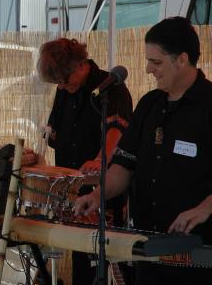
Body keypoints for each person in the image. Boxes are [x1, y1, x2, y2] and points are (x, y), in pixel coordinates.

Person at [74, 17, 212, 285]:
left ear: (182, 59)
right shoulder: (149, 105)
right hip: (148, 250)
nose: (148, 69)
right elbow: (124, 166)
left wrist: (204, 208)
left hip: (198, 253)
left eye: (156, 62)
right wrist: (97, 195)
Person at [37, 37, 133, 285]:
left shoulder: (110, 88)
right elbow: (55, 132)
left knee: (109, 258)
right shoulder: (64, 90)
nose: (61, 86)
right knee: (80, 258)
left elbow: (117, 132)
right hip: (73, 188)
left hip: (105, 188)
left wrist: (100, 159)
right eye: (57, 82)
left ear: (80, 65)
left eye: (64, 79)